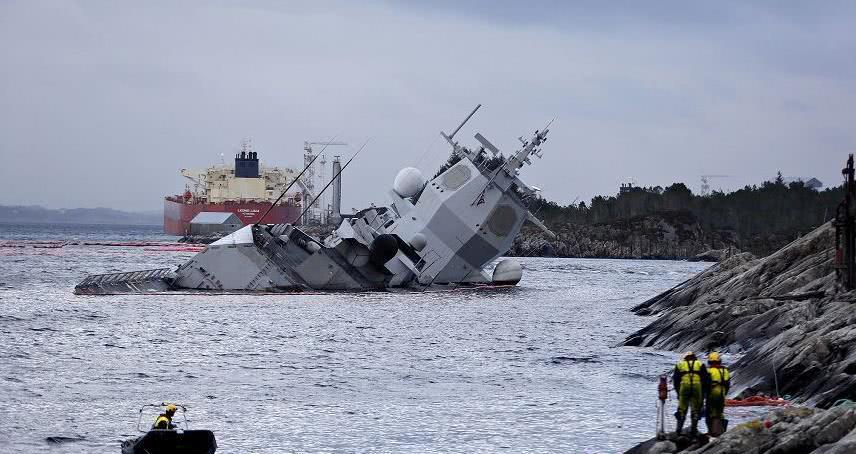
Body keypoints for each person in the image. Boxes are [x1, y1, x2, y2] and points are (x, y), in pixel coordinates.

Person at [673, 351, 708, 435]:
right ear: (694, 357)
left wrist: (678, 393)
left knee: (682, 409)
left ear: (685, 358)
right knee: (695, 409)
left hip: (684, 387)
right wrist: (703, 394)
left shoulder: (680, 364)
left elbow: (676, 381)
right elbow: (705, 380)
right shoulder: (700, 364)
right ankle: (693, 429)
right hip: (697, 388)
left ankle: (678, 429)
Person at [705, 352, 731, 436]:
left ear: (710, 362)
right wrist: (724, 393)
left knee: (710, 414)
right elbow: (727, 384)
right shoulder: (725, 371)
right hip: (721, 395)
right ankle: (722, 431)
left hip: (712, 396)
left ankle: (712, 432)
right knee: (720, 414)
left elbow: (706, 385)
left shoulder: (709, 371)